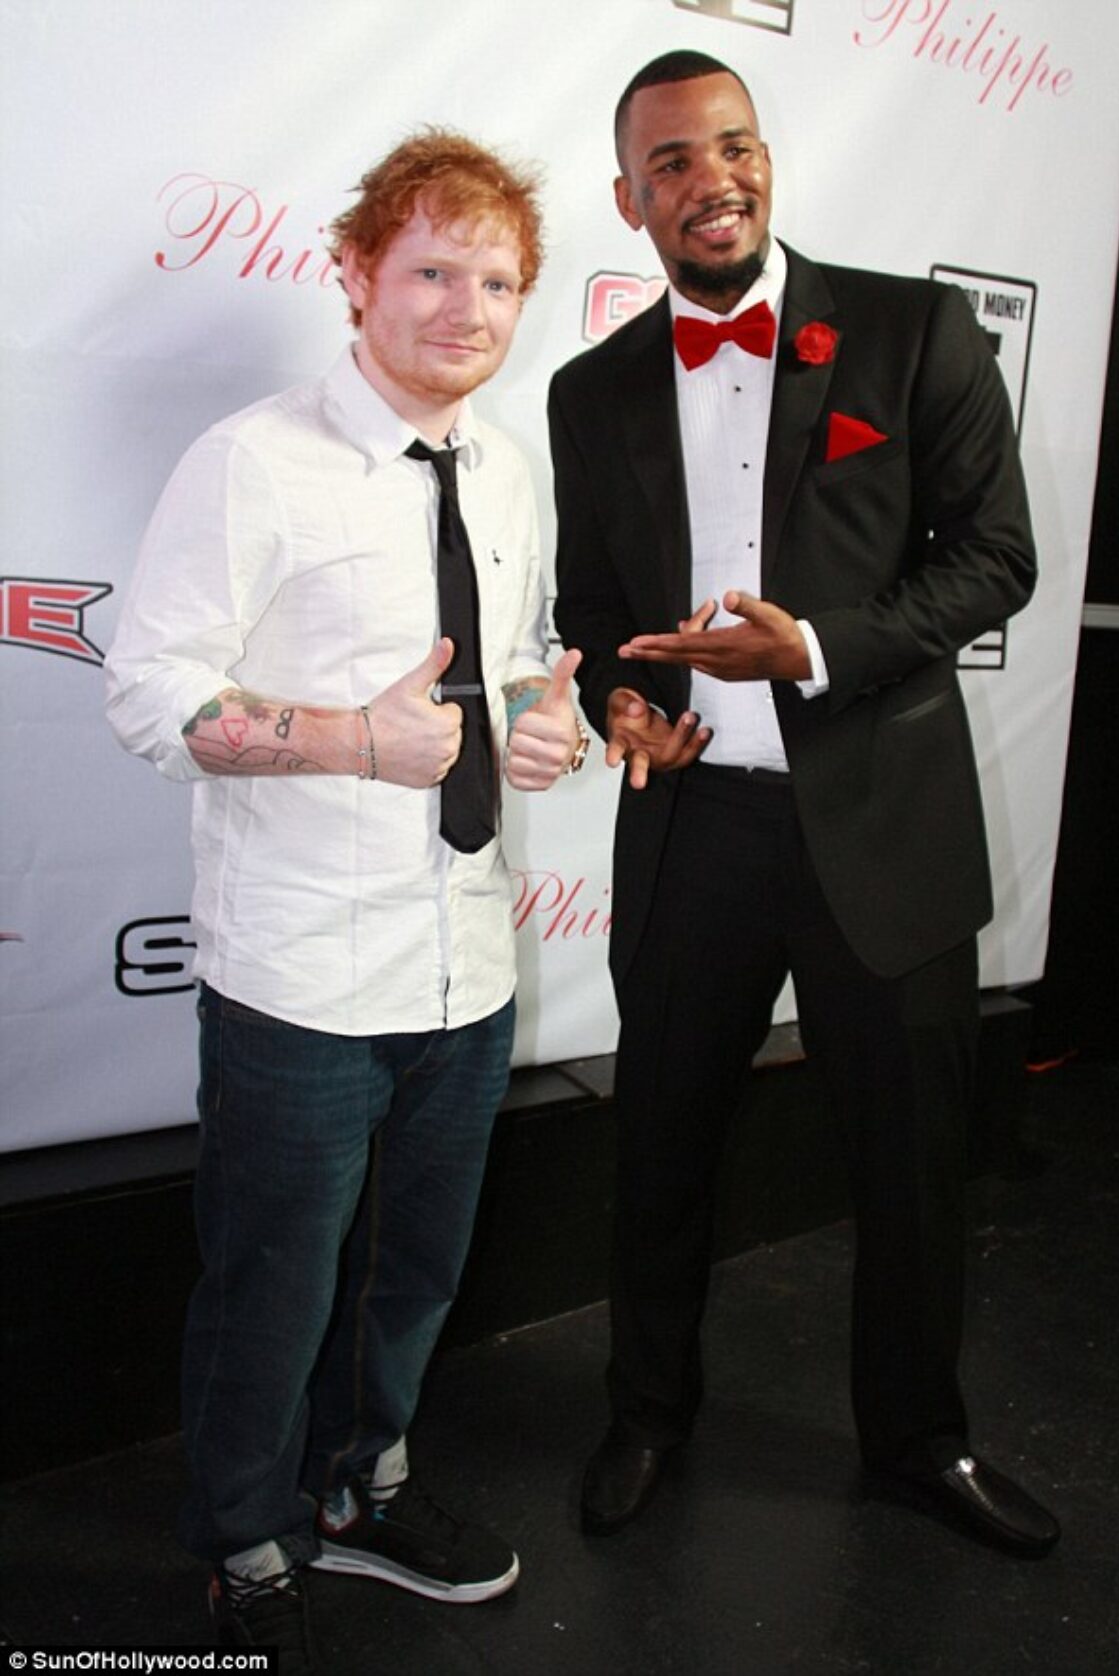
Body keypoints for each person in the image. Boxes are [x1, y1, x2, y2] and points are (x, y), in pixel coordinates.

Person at [550, 51, 1059, 1558]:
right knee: (662, 1148)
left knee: (911, 1168)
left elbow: (997, 557)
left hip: (881, 824)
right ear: (630, 200)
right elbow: (592, 610)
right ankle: (648, 1413)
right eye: (673, 163)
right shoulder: (591, 391)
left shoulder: (913, 332)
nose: (713, 181)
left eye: (736, 146)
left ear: (765, 159)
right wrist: (620, 699)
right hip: (693, 830)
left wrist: (818, 650)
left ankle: (919, 1442)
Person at [106, 128, 587, 1672]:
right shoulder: (252, 460)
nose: (467, 309)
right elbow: (146, 692)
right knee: (272, 1286)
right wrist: (343, 740)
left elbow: (515, 657)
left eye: (497, 282)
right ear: (357, 275)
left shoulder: (505, 467)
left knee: (415, 1273)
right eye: (433, 270)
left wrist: (547, 718)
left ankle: (362, 1485)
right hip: (301, 975)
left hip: (467, 959)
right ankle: (245, 1538)